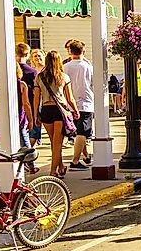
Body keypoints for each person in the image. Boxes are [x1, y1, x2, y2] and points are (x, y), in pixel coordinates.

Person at [36, 50, 80, 178]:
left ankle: (60, 167)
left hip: (45, 109)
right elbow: (70, 98)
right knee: (57, 143)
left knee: (53, 142)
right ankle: (53, 170)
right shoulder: (63, 77)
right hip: (59, 110)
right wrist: (75, 110)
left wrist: (35, 115)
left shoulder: (40, 77)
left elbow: (36, 97)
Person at [62, 39, 94, 171]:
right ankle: (75, 161)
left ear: (70, 52)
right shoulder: (88, 67)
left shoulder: (65, 67)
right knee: (82, 132)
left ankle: (85, 156)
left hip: (69, 103)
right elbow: (93, 84)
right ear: (83, 51)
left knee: (80, 132)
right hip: (85, 102)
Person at [28, 49, 46, 145]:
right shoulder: (32, 71)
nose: (37, 58)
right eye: (35, 56)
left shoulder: (46, 70)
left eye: (39, 56)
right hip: (35, 99)